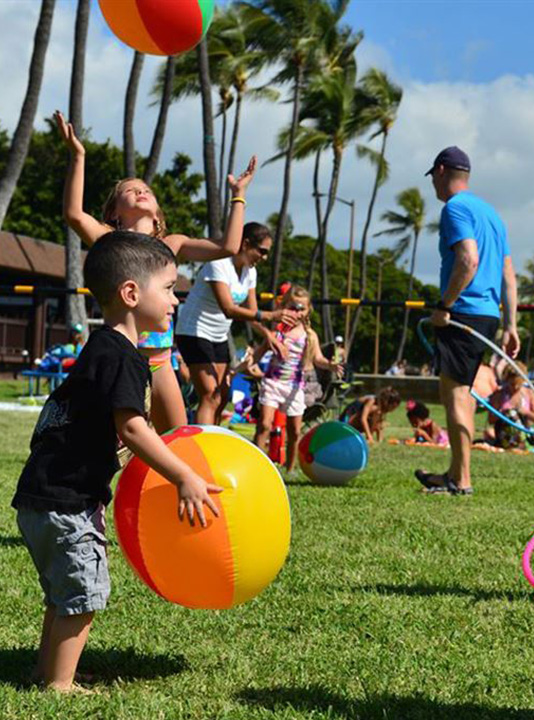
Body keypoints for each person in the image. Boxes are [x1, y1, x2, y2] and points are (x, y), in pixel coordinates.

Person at [11, 231, 221, 692]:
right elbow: (132, 427)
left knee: (63, 596)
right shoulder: (124, 357)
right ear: (131, 293)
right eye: (168, 289)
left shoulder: (100, 349)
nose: (174, 299)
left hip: (42, 498)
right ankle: (59, 684)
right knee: (82, 595)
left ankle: (48, 670)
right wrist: (183, 474)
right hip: (66, 503)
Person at [56, 110, 256, 435]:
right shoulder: (111, 240)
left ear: (158, 209)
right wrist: (78, 156)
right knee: (116, 444)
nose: (140, 191)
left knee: (177, 440)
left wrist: (239, 194)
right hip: (122, 357)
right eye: (130, 190)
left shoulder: (171, 244)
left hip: (162, 358)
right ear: (114, 212)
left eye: (146, 188)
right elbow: (74, 214)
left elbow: (229, 246)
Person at [414, 146, 519, 495]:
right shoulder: (492, 214)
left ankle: (461, 479)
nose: (434, 187)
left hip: (463, 313)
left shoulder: (455, 208)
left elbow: (468, 260)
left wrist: (445, 304)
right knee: (465, 394)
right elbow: (507, 273)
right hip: (488, 315)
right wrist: (511, 325)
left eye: (434, 179)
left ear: (441, 171)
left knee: (455, 394)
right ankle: (455, 473)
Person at [175, 222, 295, 425]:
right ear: (246, 244)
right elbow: (229, 309)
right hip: (193, 331)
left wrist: (268, 335)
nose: (264, 257)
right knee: (209, 394)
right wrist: (270, 316)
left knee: (222, 394)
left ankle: (215, 442)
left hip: (218, 335)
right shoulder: (218, 263)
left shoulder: (250, 272)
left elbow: (250, 313)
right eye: (262, 251)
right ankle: (202, 449)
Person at [249, 286, 342, 473]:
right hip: (272, 382)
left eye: (301, 309)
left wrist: (330, 365)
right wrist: (249, 366)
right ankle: (257, 465)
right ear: (284, 307)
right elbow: (258, 354)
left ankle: (289, 468)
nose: (297, 312)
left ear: (308, 311)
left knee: (295, 431)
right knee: (264, 425)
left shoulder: (309, 335)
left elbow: (317, 359)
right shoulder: (277, 332)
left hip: (294, 386)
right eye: (292, 307)